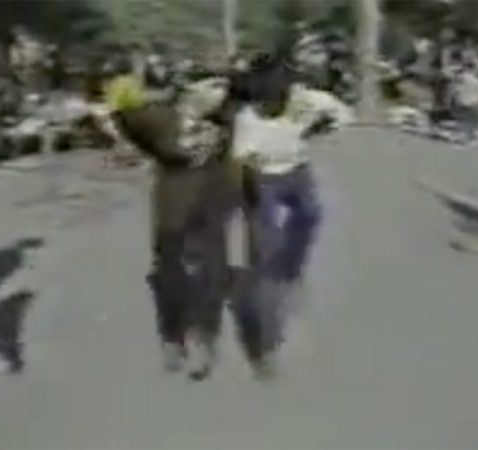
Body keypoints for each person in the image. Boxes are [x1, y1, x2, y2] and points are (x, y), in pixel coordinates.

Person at [102, 60, 234, 380]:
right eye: (213, 86)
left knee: (208, 275)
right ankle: (173, 337)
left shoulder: (226, 118)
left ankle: (202, 340)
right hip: (173, 207)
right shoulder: (157, 118)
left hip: (211, 207)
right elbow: (120, 117)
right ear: (189, 89)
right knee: (172, 277)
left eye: (223, 86)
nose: (221, 93)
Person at [230, 55, 322, 378]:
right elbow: (240, 163)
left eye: (280, 100)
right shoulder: (247, 119)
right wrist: (251, 203)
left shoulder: (304, 104)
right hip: (262, 177)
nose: (275, 107)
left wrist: (318, 127)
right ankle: (264, 348)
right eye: (268, 102)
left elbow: (331, 116)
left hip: (297, 172)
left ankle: (292, 269)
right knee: (266, 263)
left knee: (310, 215)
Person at [451, 61, 478, 144]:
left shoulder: (461, 77)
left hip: (462, 101)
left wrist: (454, 99)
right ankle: (466, 137)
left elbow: (455, 89)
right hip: (475, 103)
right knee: (471, 121)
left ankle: (460, 136)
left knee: (462, 120)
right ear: (473, 69)